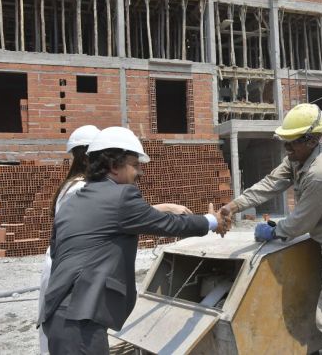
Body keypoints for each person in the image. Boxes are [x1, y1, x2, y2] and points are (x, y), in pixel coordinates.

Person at [38, 126, 230, 354]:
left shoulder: (72, 201)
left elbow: (57, 251)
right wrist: (212, 221)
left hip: (58, 317)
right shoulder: (121, 195)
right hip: (81, 318)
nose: (140, 172)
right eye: (135, 165)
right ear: (113, 164)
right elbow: (168, 224)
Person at [222, 103, 322, 355]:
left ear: (312, 140)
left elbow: (301, 222)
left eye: (292, 143)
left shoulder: (321, 172)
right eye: (285, 142)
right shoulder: (298, 159)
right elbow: (270, 183)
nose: (287, 148)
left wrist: (274, 231)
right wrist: (235, 206)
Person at [38, 125, 101, 355]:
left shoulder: (72, 184)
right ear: (89, 156)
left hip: (62, 264)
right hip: (66, 268)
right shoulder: (80, 189)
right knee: (67, 336)